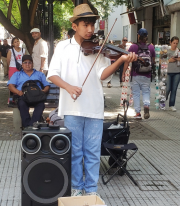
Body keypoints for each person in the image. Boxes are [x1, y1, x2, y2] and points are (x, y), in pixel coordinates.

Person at [47, 3, 137, 202]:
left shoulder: (99, 49)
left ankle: (91, 190)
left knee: (93, 153)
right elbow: (52, 74)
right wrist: (69, 87)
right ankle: (77, 189)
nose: (90, 30)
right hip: (71, 109)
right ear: (75, 26)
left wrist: (121, 60)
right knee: (75, 152)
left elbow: (102, 75)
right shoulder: (62, 47)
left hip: (95, 108)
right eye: (85, 25)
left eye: (92, 25)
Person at [7, 55, 50, 127]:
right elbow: (10, 86)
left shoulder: (39, 74)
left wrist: (43, 91)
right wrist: (18, 92)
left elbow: (47, 85)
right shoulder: (17, 74)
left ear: (32, 64)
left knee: (41, 105)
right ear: (22, 64)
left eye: (29, 62)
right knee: (22, 104)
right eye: (25, 62)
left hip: (37, 96)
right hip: (23, 96)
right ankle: (30, 127)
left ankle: (30, 126)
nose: (27, 64)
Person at [128, 28, 155, 120]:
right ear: (147, 36)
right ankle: (146, 106)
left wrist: (124, 72)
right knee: (146, 92)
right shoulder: (151, 47)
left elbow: (128, 60)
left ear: (138, 35)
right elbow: (153, 61)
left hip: (135, 74)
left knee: (136, 94)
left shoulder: (133, 47)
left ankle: (138, 113)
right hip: (147, 74)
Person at [166, 36, 180, 111]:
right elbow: (162, 62)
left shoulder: (179, 51)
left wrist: (178, 59)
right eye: (174, 43)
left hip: (177, 72)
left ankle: (171, 105)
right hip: (168, 72)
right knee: (167, 89)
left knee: (174, 89)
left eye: (176, 43)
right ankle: (163, 101)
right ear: (170, 42)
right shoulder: (167, 51)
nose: (175, 44)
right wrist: (169, 61)